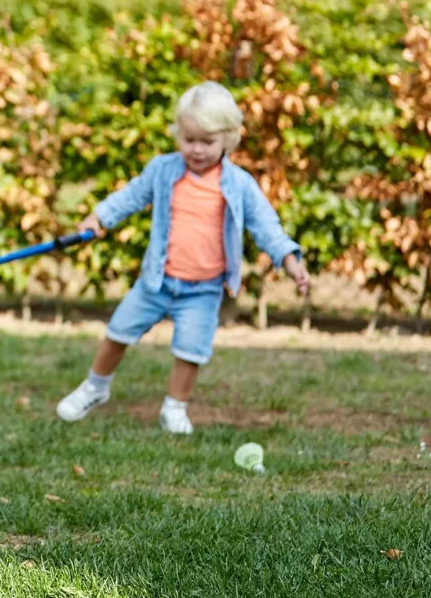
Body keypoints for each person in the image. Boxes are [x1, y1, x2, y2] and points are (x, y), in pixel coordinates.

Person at [56, 81, 311, 435]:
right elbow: (129, 196)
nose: (197, 149)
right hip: (156, 280)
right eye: (189, 140)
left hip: (203, 288)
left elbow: (267, 226)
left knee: (191, 351)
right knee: (117, 332)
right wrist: (99, 218)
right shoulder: (163, 170)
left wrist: (290, 260)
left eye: (207, 142)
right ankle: (95, 387)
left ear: (228, 139)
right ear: (179, 135)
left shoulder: (238, 184)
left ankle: (174, 408)